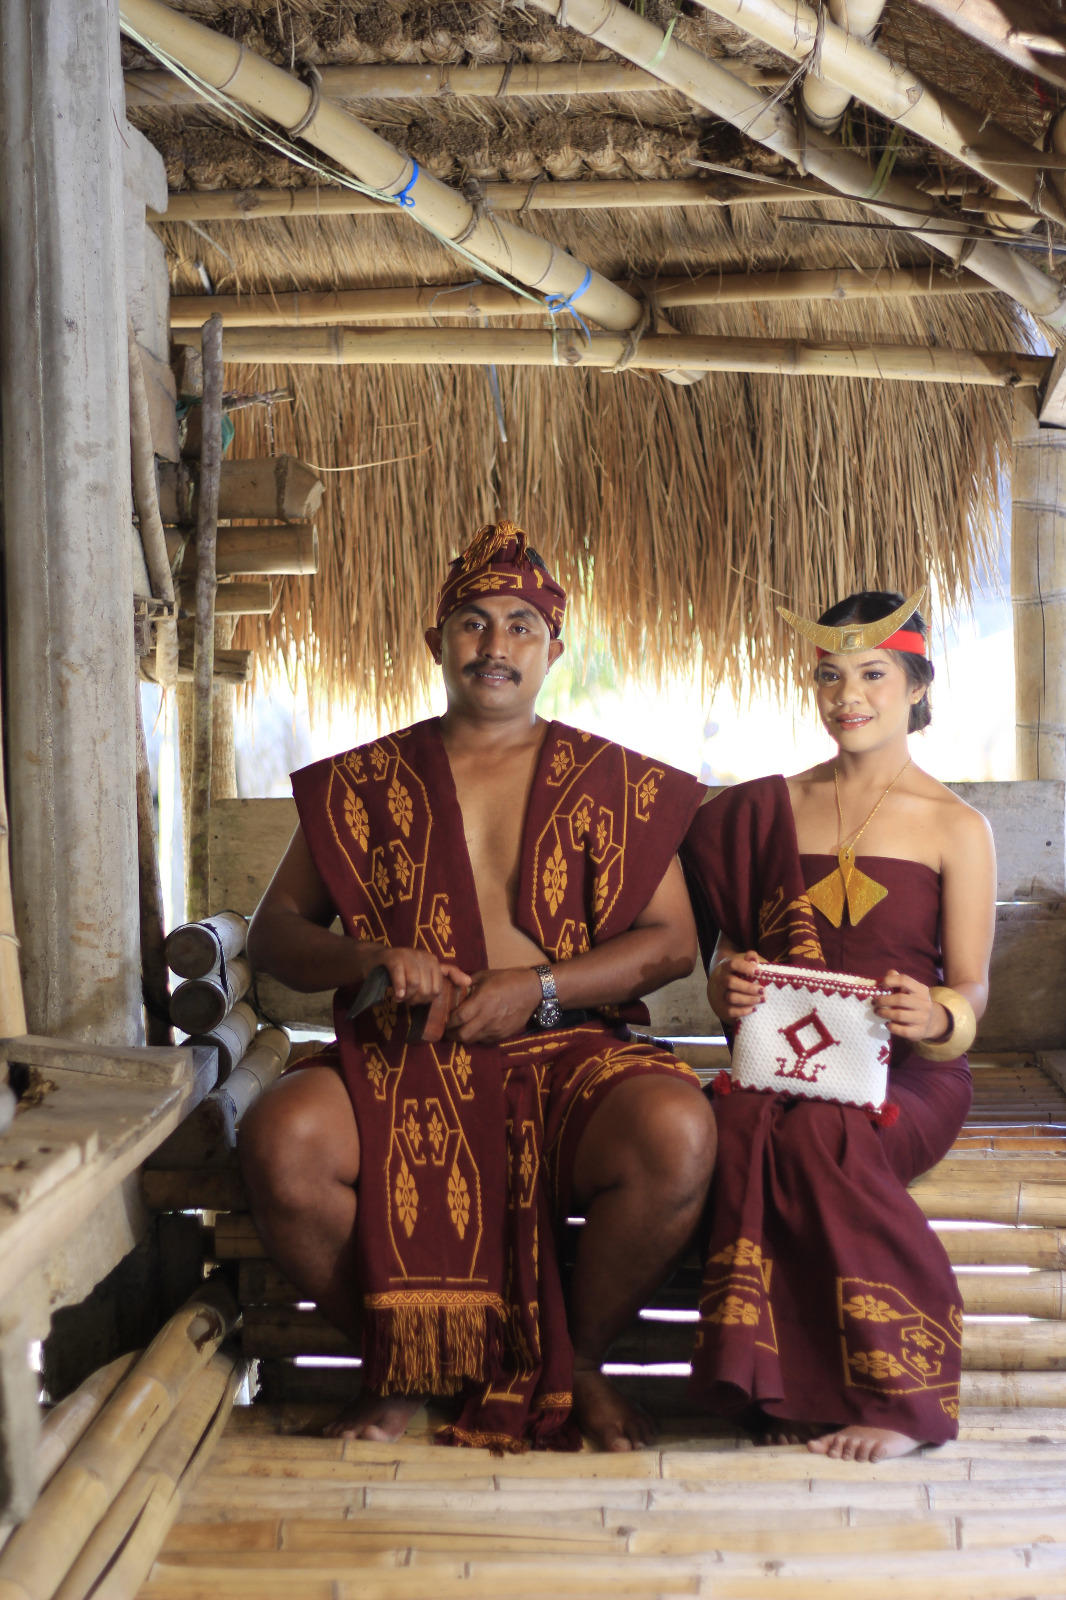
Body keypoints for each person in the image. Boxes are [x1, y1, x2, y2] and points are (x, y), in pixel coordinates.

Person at [239, 520, 717, 1453]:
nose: (496, 646)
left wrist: (540, 988)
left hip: (570, 1046)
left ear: (553, 650)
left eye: (520, 626)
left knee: (678, 1133)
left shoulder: (612, 779)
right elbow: (275, 934)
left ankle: (580, 1363)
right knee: (280, 1141)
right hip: (406, 1049)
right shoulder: (366, 781)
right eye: (473, 623)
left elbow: (672, 946)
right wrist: (371, 957)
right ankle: (401, 1365)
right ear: (437, 641)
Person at [682, 588, 995, 1463]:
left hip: (909, 1071)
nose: (847, 695)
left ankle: (902, 1402)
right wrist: (726, 986)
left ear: (917, 687)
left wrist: (934, 1012)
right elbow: (730, 957)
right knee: (743, 1126)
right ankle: (779, 1387)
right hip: (785, 1060)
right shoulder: (767, 808)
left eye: (872, 674)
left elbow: (972, 988)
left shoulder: (957, 826)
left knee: (823, 1133)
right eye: (830, 676)